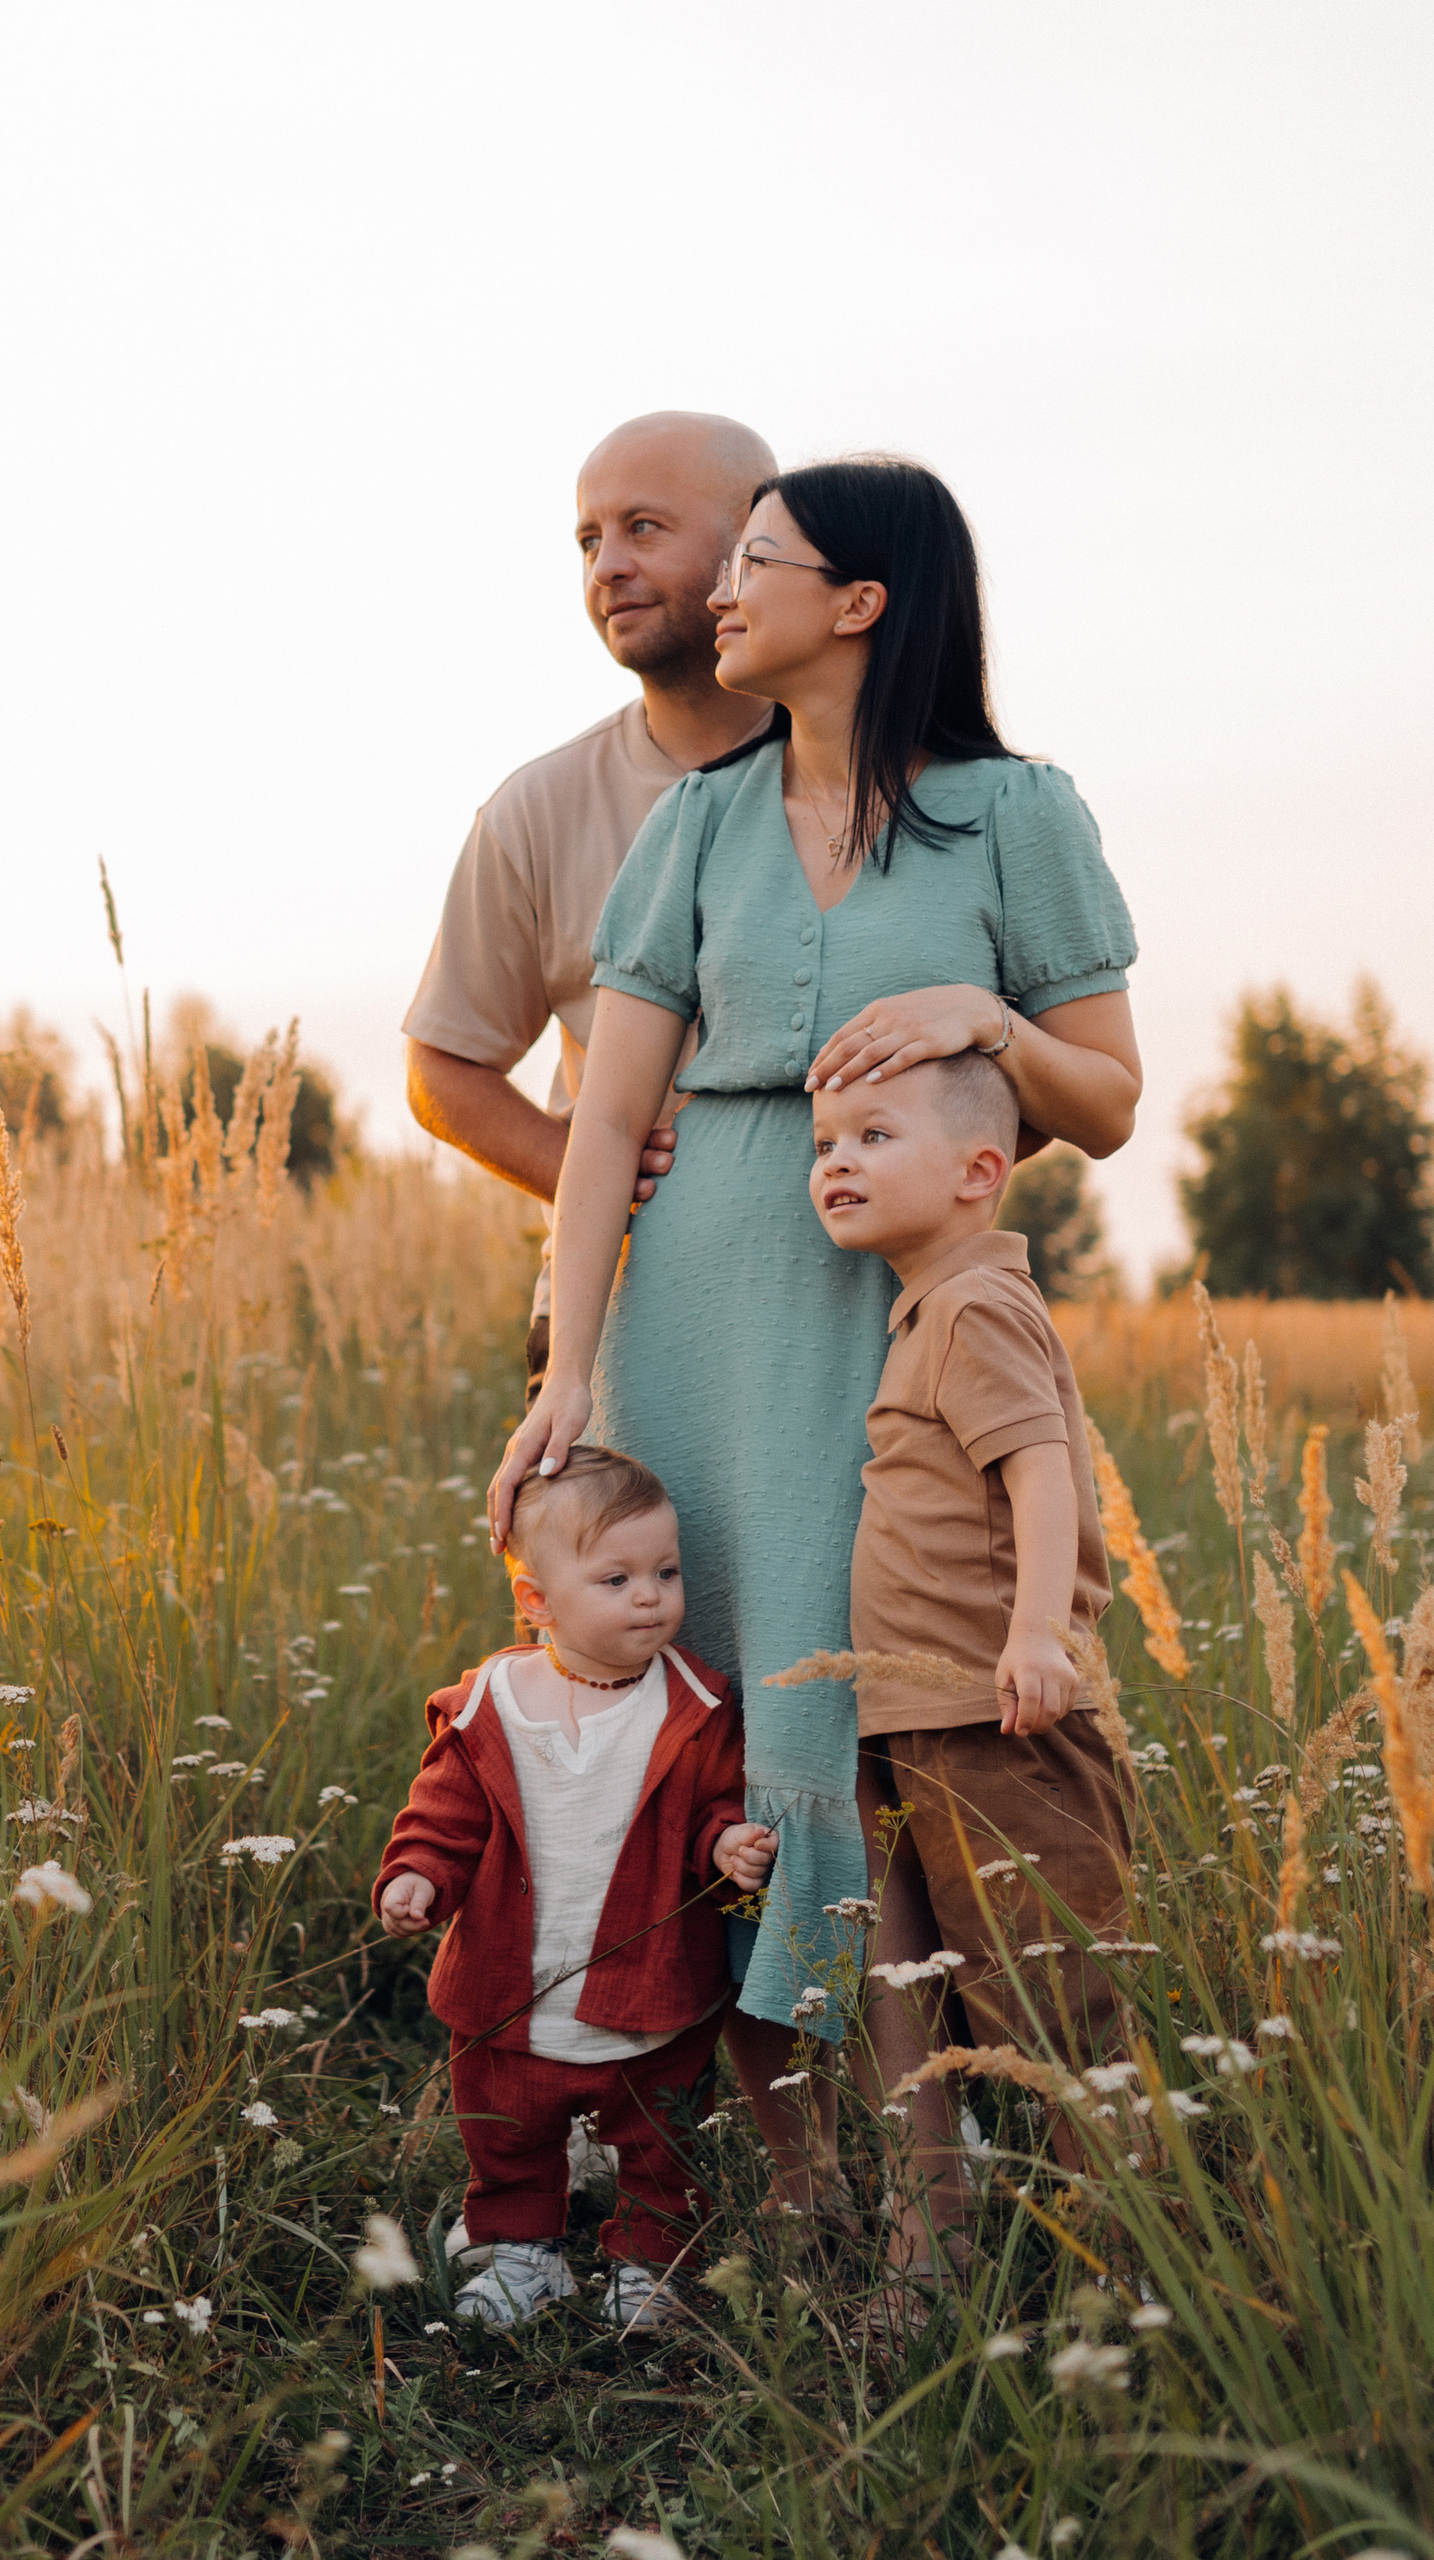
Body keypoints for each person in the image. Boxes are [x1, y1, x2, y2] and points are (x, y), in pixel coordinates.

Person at [486, 455, 1141, 2226]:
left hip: (908, 1310)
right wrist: (569, 1380)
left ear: (861, 603)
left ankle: (940, 2188)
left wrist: (986, 1011)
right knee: (736, 1742)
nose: (719, 593)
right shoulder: (693, 823)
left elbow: (1111, 1102)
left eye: (757, 564)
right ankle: (793, 2189)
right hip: (699, 1318)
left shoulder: (1018, 813)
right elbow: (609, 1125)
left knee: (895, 1729)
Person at [805, 1049, 1132, 2302]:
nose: (835, 1159)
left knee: (1054, 1995)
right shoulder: (923, 1306)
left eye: (873, 1134)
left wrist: (1036, 1632)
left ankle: (1128, 2265)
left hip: (995, 1711)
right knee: (966, 1986)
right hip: (922, 1712)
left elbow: (1040, 1469)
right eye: (826, 1141)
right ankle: (1029, 2248)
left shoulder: (976, 1308)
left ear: (978, 1172)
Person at [404, 413, 779, 1392]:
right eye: (587, 539)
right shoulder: (539, 806)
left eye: (643, 528)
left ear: (758, 541)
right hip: (609, 1318)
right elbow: (441, 1064)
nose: (606, 564)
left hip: (851, 1306)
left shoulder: (891, 783)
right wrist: (595, 1173)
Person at [374, 1448, 776, 2335]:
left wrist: (729, 1844)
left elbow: (711, 1806)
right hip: (510, 1986)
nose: (651, 1596)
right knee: (506, 2131)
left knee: (659, 2134)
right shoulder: (492, 1704)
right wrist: (418, 1875)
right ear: (537, 1603)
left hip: (650, 1981)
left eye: (666, 1572)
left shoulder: (694, 1705)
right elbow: (445, 1812)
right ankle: (524, 2253)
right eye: (617, 1578)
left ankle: (652, 2262)